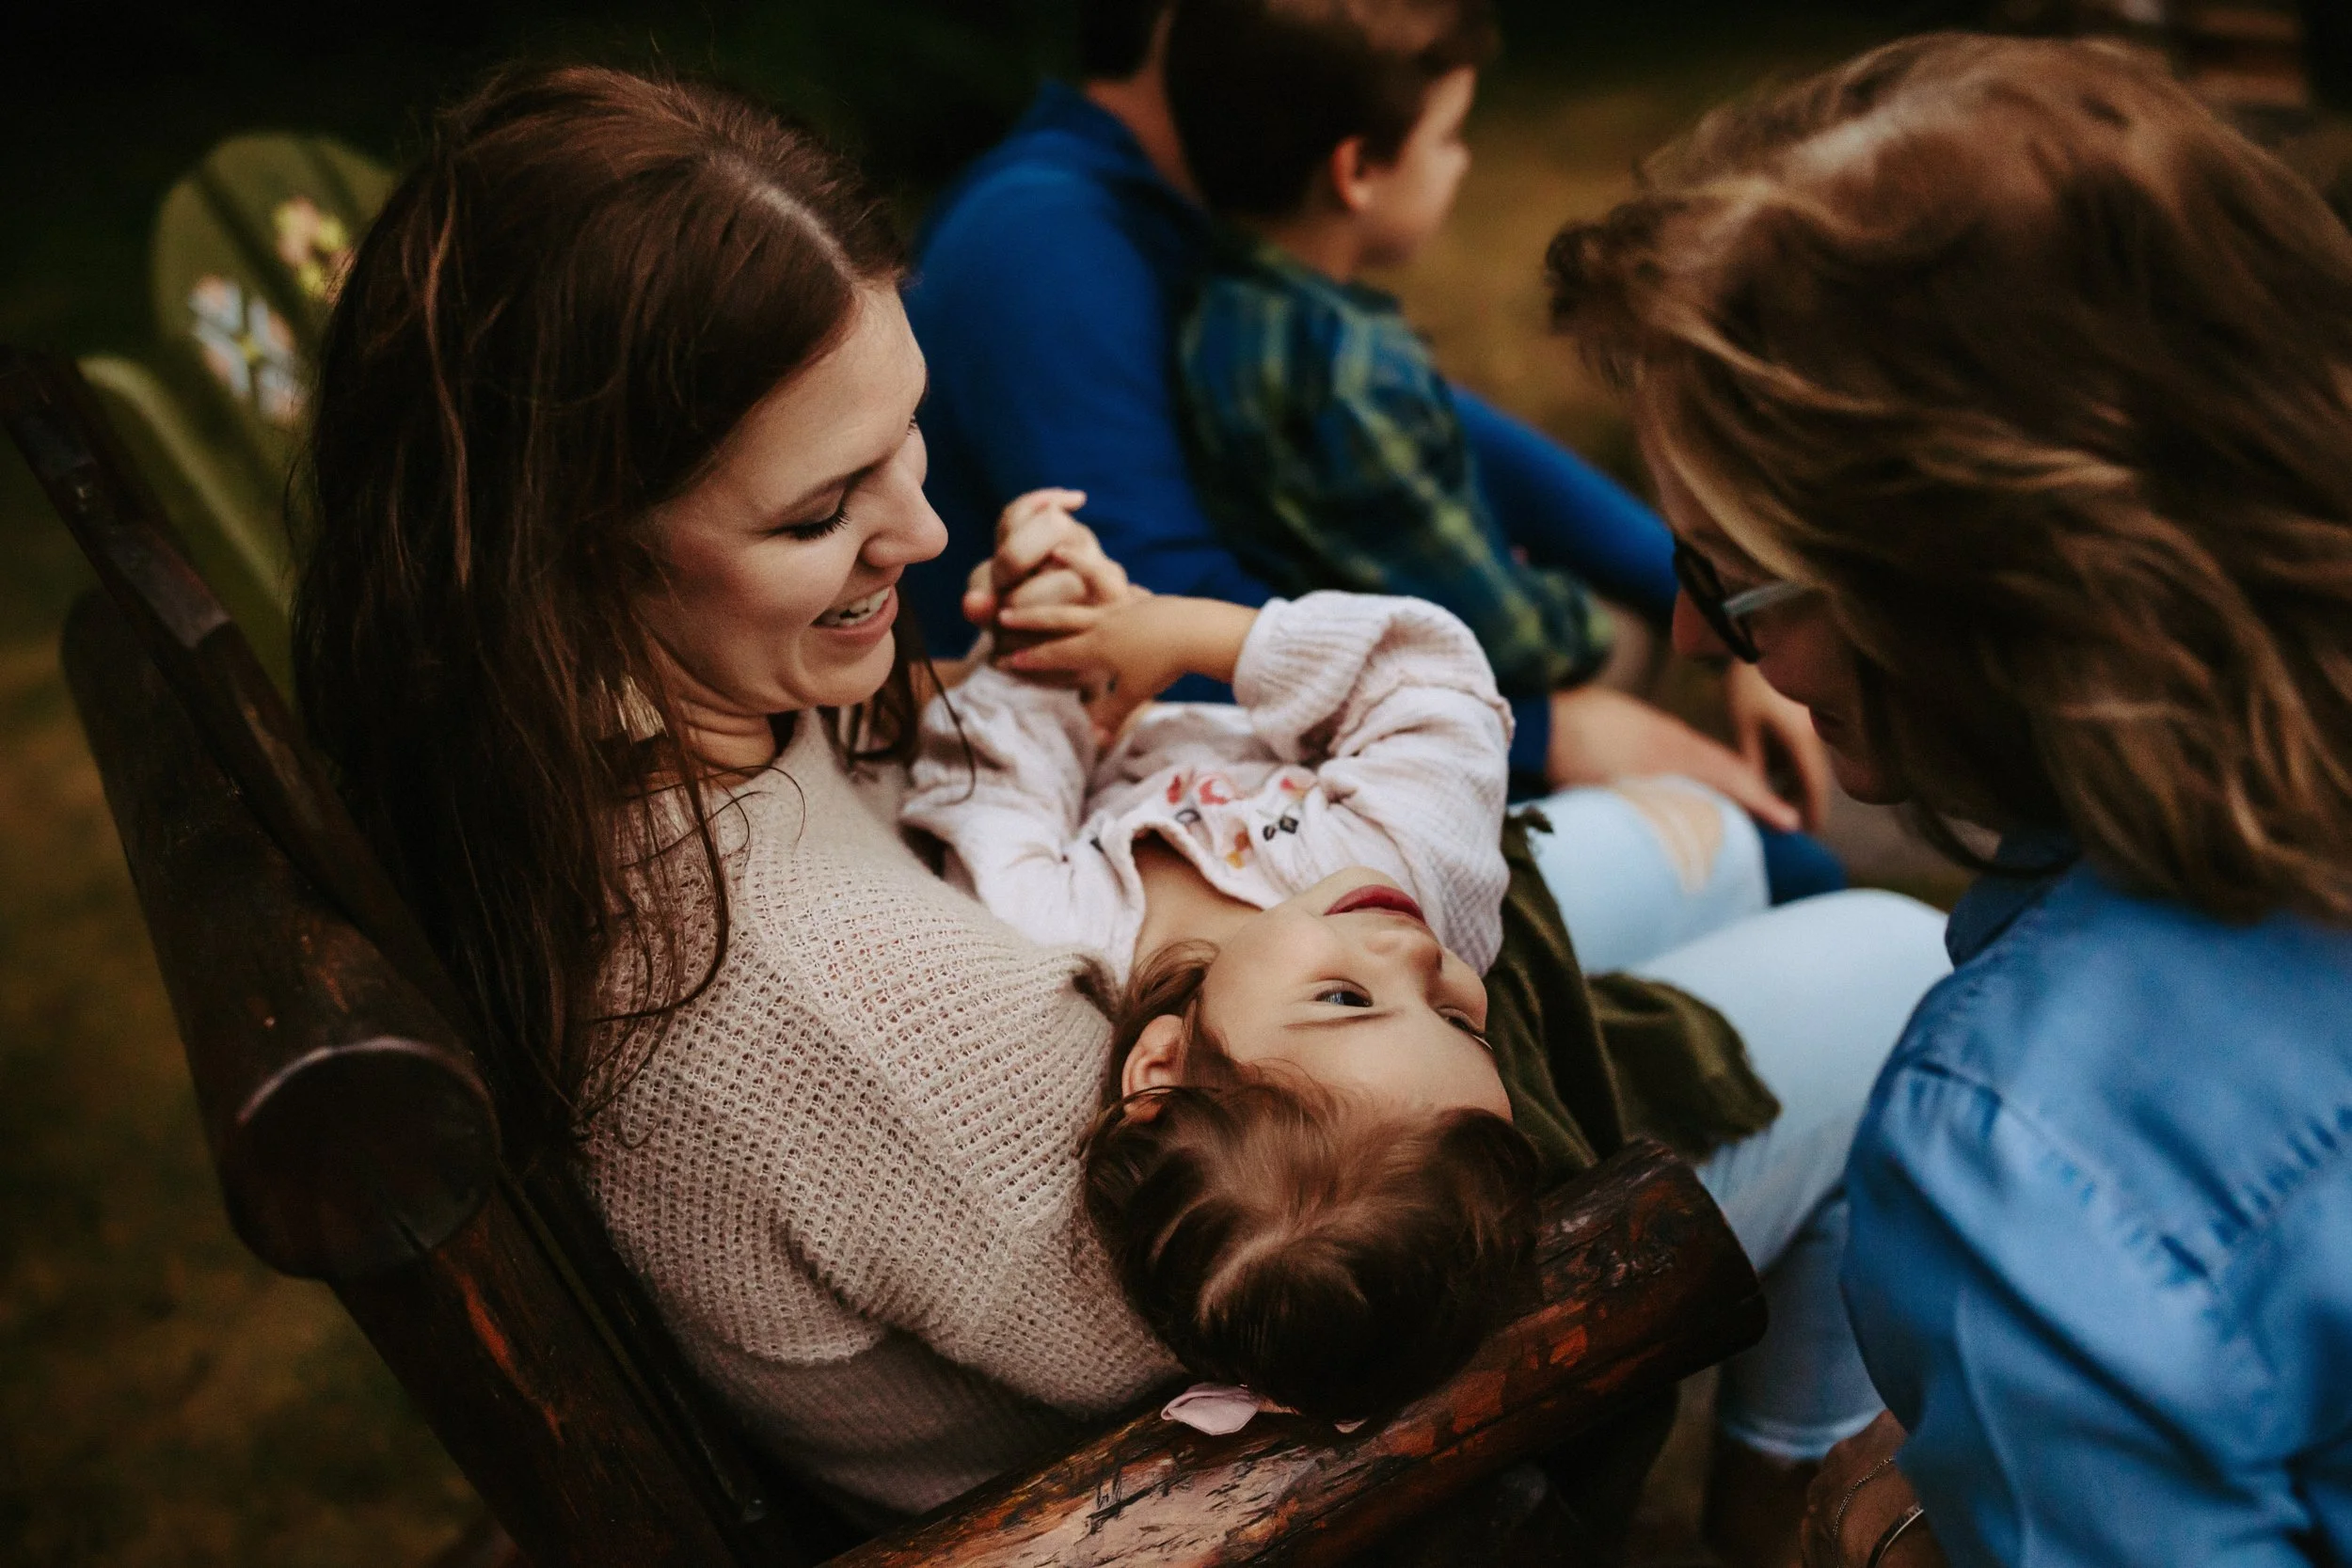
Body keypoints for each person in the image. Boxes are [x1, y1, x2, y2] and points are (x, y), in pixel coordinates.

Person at [293, 64, 1184, 1523]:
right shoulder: (846, 1013)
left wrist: (1045, 695)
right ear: (572, 561)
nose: (926, 522)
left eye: (906, 433)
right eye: (819, 511)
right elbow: (1269, 1319)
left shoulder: (575, 781)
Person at [1549, 32, 2352, 1567]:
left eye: (1731, 578)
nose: (1699, 639)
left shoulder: (2028, 1142)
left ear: (1955, 572)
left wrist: (1889, 1534)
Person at [919, 500, 1954, 1563]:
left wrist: (1054, 633)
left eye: (1345, 1000)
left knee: (1723, 848)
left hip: (1417, 840)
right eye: (1463, 1021)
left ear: (1164, 1061)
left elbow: (992, 784)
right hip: (1461, 839)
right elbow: (1431, 674)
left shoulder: (1053, 924)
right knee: (1758, 867)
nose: (1415, 958)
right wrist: (1189, 641)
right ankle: (1781, 1468)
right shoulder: (1404, 864)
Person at [903, 0, 1852, 933]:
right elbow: (1151, 624)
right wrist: (1551, 726)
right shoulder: (1039, 246)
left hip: (1323, 719)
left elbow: (1454, 426)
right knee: (1777, 869)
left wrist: (1716, 591)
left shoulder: (1201, 211)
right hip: (1163, 829)